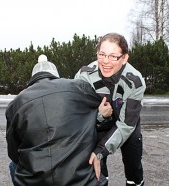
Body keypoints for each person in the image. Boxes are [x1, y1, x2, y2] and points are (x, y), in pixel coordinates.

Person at [6, 54, 109, 186]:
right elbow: (103, 106)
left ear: (33, 77)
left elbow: (13, 152)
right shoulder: (78, 87)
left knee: (13, 165)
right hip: (81, 179)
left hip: (35, 180)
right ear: (56, 74)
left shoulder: (16, 103)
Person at [75, 33, 146, 186]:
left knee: (134, 167)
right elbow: (77, 115)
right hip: (98, 125)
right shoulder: (84, 75)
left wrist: (101, 150)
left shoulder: (135, 81)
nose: (106, 61)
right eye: (102, 54)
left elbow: (126, 124)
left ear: (125, 58)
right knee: (96, 168)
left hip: (127, 124)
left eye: (113, 56)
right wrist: (99, 115)